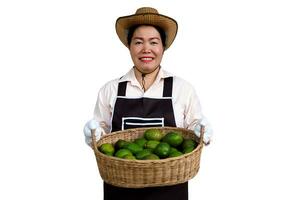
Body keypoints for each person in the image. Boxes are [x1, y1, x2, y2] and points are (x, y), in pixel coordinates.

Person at [83, 7, 213, 200]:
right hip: (120, 191)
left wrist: (202, 131)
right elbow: (101, 137)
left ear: (163, 47)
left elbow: (194, 131)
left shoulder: (182, 89)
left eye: (154, 42)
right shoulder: (111, 90)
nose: (146, 49)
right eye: (138, 42)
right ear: (129, 46)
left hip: (171, 191)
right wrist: (92, 133)